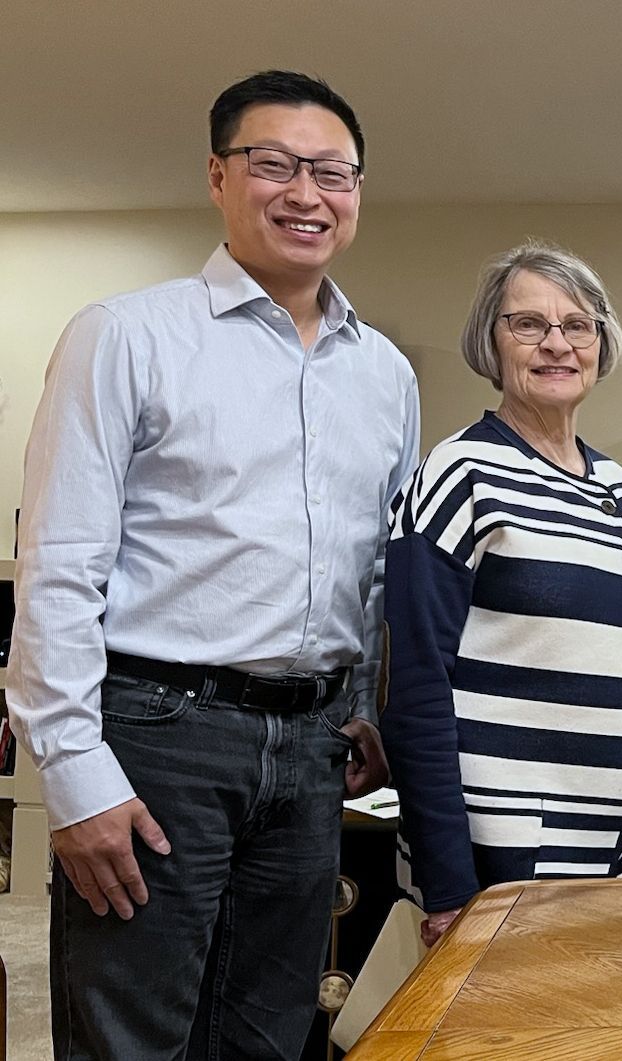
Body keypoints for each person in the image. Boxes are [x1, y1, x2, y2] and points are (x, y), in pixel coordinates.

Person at [10, 71, 419, 1059]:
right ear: (217, 176)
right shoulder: (129, 334)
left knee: (271, 1034)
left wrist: (362, 701)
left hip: (313, 748)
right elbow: (58, 559)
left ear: (358, 189)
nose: (306, 193)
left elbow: (371, 565)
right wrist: (75, 774)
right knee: (134, 1035)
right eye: (273, 165)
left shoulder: (385, 373)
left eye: (331, 171)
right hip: (160, 739)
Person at [380, 241, 622, 948]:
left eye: (577, 324)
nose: (556, 344)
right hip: (500, 857)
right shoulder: (460, 473)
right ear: (491, 340)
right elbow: (416, 688)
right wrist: (448, 884)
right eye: (528, 325)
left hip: (619, 856)